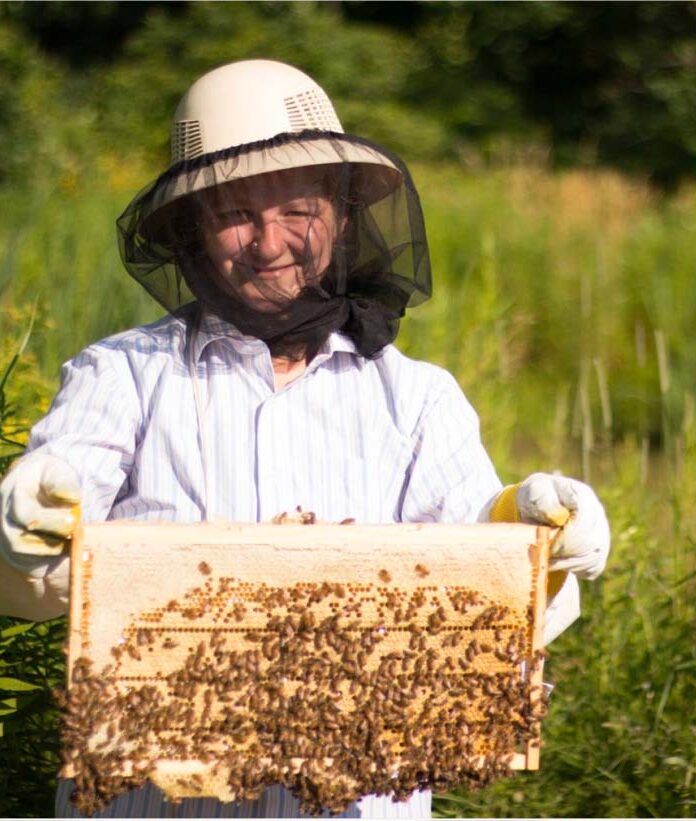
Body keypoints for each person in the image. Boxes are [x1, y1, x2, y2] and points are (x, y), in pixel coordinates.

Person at [0, 60, 610, 818]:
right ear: (190, 227)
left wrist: (533, 533)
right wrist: (34, 521)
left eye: (297, 208)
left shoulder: (417, 397)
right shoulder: (122, 374)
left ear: (343, 211)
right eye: (233, 214)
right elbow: (31, 575)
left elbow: (485, 579)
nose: (268, 242)